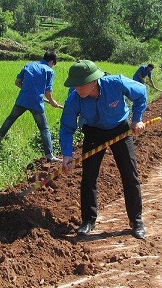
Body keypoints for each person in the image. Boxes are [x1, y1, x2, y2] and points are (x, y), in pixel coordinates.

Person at [59, 60, 147, 239]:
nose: (77, 89)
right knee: (89, 176)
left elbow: (141, 93)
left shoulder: (116, 83)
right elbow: (67, 127)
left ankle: (136, 220)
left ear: (93, 82)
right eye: (75, 85)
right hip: (93, 132)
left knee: (130, 174)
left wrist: (137, 119)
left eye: (81, 85)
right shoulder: (74, 98)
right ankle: (88, 220)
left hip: (119, 129)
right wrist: (67, 154)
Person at [0, 51, 62, 162]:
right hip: (36, 103)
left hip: (22, 100)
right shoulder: (49, 71)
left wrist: (28, 90)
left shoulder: (29, 65)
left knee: (11, 118)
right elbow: (47, 92)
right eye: (53, 64)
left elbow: (17, 82)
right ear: (51, 61)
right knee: (44, 128)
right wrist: (52, 102)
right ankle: (50, 156)